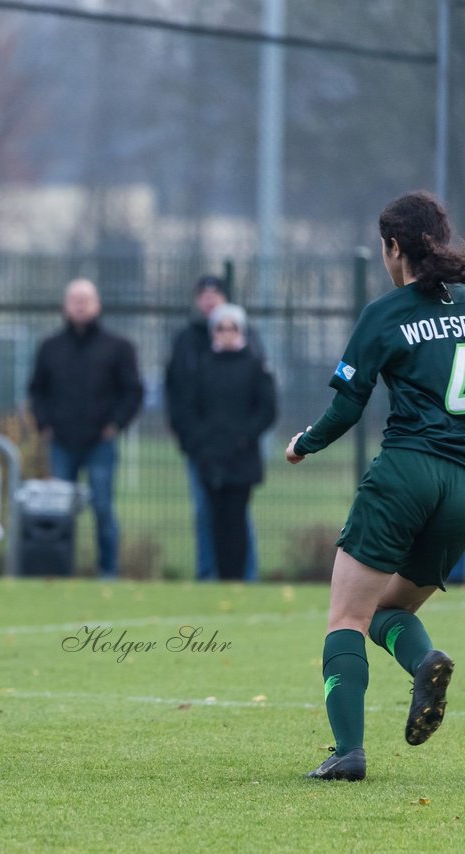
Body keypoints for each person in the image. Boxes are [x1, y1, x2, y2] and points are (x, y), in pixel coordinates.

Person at [287, 191, 465, 782]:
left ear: (394, 247)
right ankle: (424, 661)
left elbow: (344, 411)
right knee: (388, 610)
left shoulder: (386, 313)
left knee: (346, 617)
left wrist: (302, 443)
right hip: (461, 487)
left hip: (407, 473)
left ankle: (347, 753)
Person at [27, 278, 142, 579]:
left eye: (85, 299)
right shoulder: (50, 347)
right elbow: (37, 390)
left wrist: (116, 424)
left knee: (103, 508)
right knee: (59, 513)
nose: (79, 305)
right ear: (65, 305)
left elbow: (132, 391)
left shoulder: (117, 347)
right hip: (62, 441)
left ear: (97, 305)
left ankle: (108, 571)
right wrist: (45, 424)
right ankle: (60, 569)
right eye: (74, 299)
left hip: (100, 443)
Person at [166, 275, 266, 581]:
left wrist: (244, 437)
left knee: (237, 515)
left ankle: (245, 574)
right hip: (202, 447)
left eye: (215, 293)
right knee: (204, 513)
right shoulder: (187, 343)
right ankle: (208, 573)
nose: (209, 299)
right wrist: (191, 437)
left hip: (239, 451)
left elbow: (263, 403)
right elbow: (179, 394)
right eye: (204, 293)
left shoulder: (251, 352)